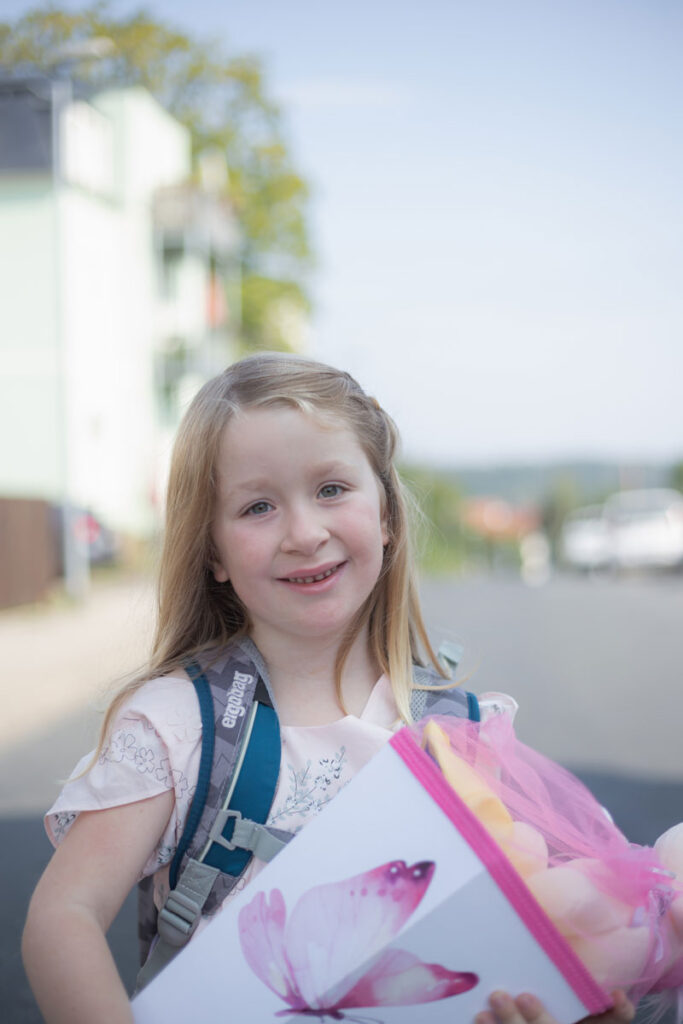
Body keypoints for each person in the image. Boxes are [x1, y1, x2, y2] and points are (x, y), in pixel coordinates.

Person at [22, 354, 636, 1024]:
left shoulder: (456, 734)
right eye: (257, 506)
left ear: (386, 517)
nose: (305, 533)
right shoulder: (179, 726)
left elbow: (490, 946)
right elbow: (64, 916)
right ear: (214, 555)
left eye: (332, 490)